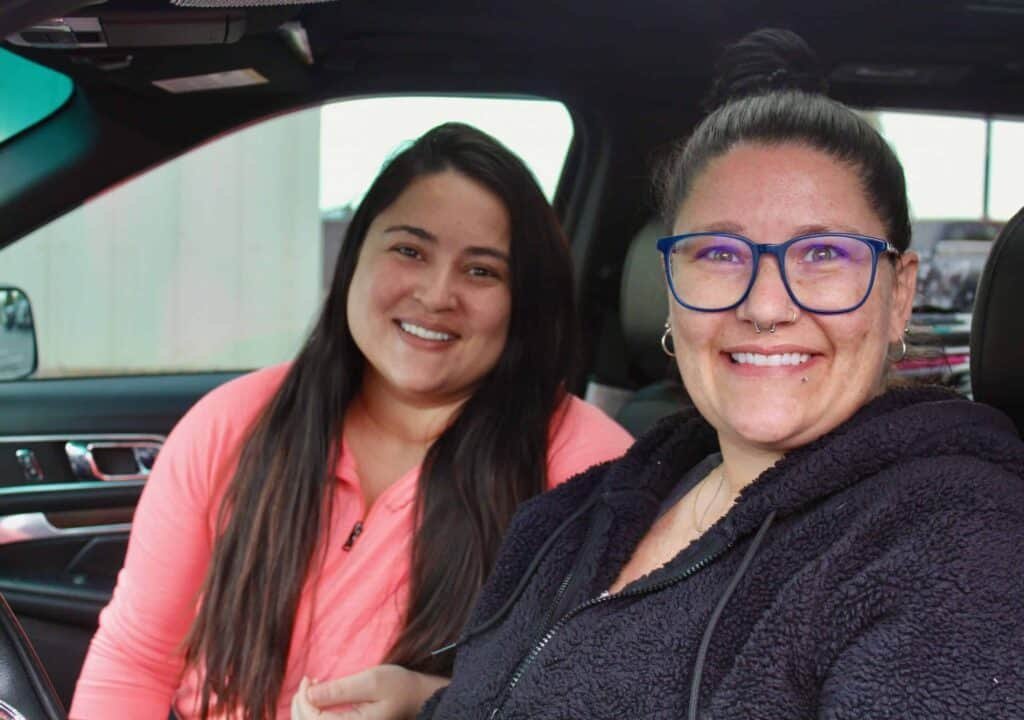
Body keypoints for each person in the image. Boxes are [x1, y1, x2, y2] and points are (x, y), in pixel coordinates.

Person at [420, 30, 1024, 720]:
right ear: (669, 285)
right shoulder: (570, 517)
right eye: (720, 254)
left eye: (824, 253)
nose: (765, 306)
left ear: (899, 297)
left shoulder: (962, 546)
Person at [69, 122, 633, 720]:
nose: (437, 294)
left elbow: (607, 699)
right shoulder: (232, 423)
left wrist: (435, 703)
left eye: (481, 271)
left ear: (525, 300)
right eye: (410, 251)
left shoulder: (590, 469)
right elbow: (136, 661)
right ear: (354, 257)